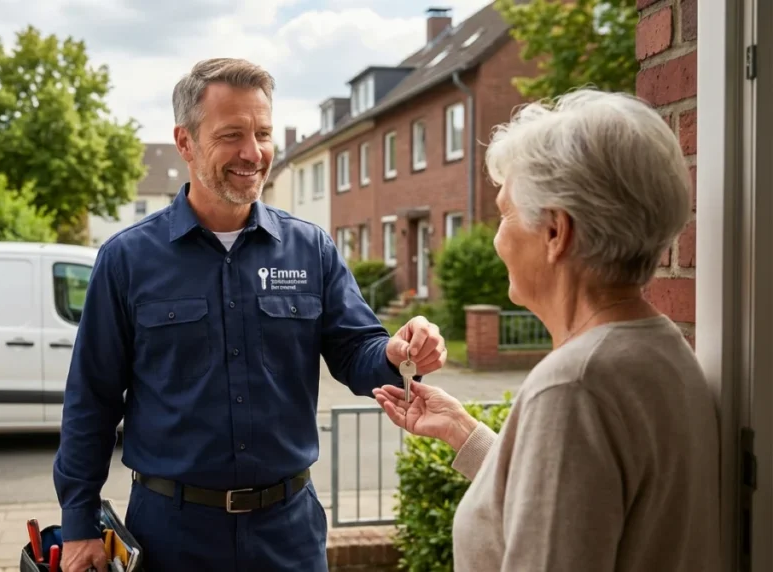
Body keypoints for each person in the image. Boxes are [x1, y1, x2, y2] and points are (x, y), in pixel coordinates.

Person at [53, 57, 447, 572]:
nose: (253, 152)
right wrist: (80, 522)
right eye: (232, 134)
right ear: (185, 141)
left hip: (288, 533)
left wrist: (396, 351)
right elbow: (92, 398)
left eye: (262, 132)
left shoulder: (311, 249)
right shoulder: (127, 259)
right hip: (172, 535)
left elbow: (356, 350)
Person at [373, 88, 721, 571]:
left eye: (504, 214)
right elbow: (588, 502)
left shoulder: (574, 386)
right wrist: (464, 433)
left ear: (556, 232)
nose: (497, 238)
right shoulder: (660, 348)